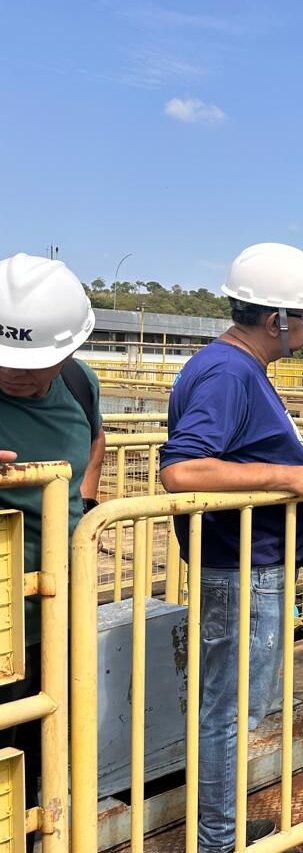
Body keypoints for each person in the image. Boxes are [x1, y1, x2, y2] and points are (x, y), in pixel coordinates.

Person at [159, 243, 303, 853]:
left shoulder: (235, 368)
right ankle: (216, 839)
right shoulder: (228, 372)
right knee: (230, 711)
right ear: (276, 320)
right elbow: (181, 471)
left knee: (242, 707)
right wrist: (291, 477)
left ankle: (224, 825)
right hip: (241, 569)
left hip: (251, 564)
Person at [0, 253, 103, 839]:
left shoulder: (77, 382)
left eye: (32, 362)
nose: (15, 374)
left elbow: (96, 439)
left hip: (56, 616)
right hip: (0, 618)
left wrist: (82, 505)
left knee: (45, 763)